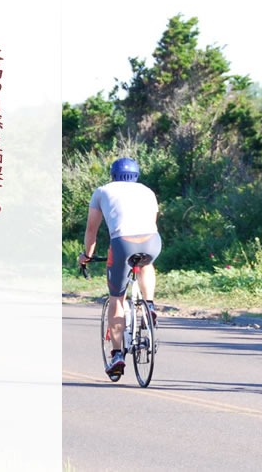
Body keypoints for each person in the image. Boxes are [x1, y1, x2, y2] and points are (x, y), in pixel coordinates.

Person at [78, 157, 162, 379]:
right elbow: (150, 222)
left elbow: (91, 231)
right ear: (137, 175)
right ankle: (150, 304)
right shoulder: (147, 191)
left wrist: (87, 255)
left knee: (117, 298)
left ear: (113, 174)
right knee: (146, 263)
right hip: (152, 241)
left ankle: (117, 355)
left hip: (123, 243)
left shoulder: (102, 191)